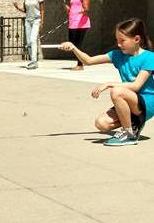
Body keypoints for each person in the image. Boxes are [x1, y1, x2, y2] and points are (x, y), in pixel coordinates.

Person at [60, 18, 154, 146]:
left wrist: (109, 84)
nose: (119, 44)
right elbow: (88, 61)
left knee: (117, 92)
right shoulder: (117, 55)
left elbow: (136, 86)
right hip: (128, 98)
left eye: (122, 41)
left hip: (147, 103)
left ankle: (129, 134)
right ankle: (134, 124)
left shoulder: (149, 57)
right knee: (101, 123)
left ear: (136, 39)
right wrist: (73, 48)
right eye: (117, 40)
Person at [14, 0, 44, 69]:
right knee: (28, 42)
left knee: (33, 39)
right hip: (28, 21)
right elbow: (25, 10)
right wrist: (17, 7)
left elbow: (42, 10)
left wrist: (42, 22)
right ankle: (32, 61)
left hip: (36, 20)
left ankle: (34, 61)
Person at [64, 0, 91, 71]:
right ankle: (80, 62)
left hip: (81, 23)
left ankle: (80, 65)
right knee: (72, 43)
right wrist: (68, 10)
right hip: (73, 23)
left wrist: (83, 11)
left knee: (78, 44)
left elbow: (87, 8)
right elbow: (73, 10)